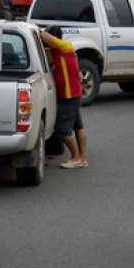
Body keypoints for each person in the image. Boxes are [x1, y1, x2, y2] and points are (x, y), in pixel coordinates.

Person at [40, 27, 88, 168]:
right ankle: (81, 158)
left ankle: (75, 157)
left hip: (68, 95)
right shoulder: (61, 50)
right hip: (74, 93)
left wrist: (38, 31)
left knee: (62, 129)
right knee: (78, 126)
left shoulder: (64, 46)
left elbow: (46, 37)